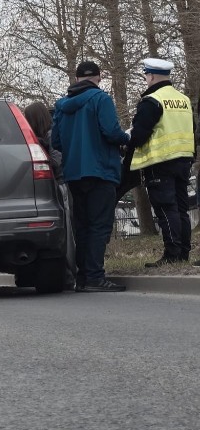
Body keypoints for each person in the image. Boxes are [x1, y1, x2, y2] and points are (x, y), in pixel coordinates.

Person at [51, 61, 131, 292]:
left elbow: (56, 142)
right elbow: (111, 132)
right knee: (99, 225)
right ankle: (96, 277)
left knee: (82, 225)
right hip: (100, 171)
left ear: (76, 79)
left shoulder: (61, 106)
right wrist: (126, 139)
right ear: (98, 77)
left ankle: (83, 277)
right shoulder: (101, 99)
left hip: (74, 173)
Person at [127, 58, 196, 267]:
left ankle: (172, 254)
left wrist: (127, 138)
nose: (146, 80)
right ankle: (183, 252)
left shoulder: (152, 101)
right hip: (184, 161)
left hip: (160, 163)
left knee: (166, 209)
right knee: (181, 209)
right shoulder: (183, 100)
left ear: (152, 76)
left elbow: (139, 135)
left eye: (146, 76)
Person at [25, 102, 76, 288]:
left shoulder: (50, 135)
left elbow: (57, 160)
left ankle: (71, 275)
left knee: (68, 234)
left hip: (61, 185)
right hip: (59, 185)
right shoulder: (51, 133)